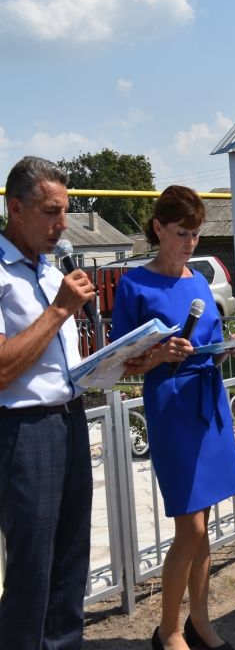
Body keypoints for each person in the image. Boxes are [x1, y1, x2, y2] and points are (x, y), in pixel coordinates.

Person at [111, 185, 235, 650]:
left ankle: (199, 622)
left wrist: (227, 350)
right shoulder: (134, 284)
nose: (190, 242)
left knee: (203, 524)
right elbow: (120, 364)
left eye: (195, 233)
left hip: (208, 401)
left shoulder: (199, 282)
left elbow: (207, 340)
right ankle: (167, 630)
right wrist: (159, 356)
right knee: (189, 527)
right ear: (158, 229)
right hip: (170, 406)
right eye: (181, 232)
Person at [0, 157, 96, 650]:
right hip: (24, 433)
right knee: (33, 573)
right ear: (16, 208)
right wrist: (61, 309)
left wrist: (124, 362)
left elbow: (59, 365)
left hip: (71, 423)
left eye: (65, 210)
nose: (62, 223)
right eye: (50, 211)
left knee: (69, 567)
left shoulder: (48, 267)